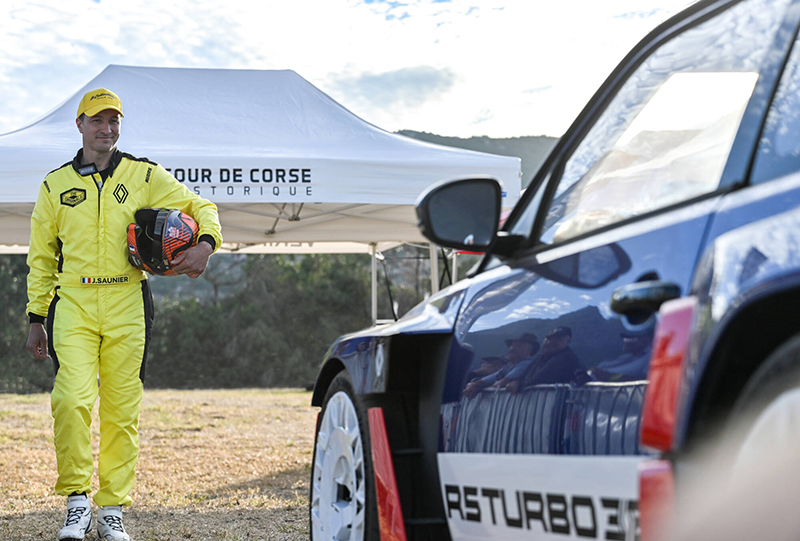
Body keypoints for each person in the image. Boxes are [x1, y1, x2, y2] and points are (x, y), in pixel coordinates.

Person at [25, 88, 222, 541]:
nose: (107, 128)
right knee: (71, 400)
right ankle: (77, 502)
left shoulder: (144, 173)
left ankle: (110, 509)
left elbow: (202, 207)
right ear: (79, 125)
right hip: (71, 302)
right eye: (97, 120)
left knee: (121, 410)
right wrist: (36, 317)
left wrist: (206, 244)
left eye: (114, 120)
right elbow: (40, 258)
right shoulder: (54, 185)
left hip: (129, 301)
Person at [506, 326, 584, 393]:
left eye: (557, 339)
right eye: (548, 339)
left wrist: (520, 386)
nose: (550, 342)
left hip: (561, 406)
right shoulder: (541, 357)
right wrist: (516, 381)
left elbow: (540, 379)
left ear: (568, 341)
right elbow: (524, 374)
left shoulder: (567, 357)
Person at [463, 332, 539, 399]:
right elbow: (489, 379)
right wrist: (474, 384)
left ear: (529, 350)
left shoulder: (526, 364)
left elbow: (503, 382)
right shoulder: (509, 366)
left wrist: (479, 388)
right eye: (512, 345)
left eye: (519, 346)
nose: (513, 348)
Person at [588, 329, 652, 382]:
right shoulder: (624, 358)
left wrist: (609, 377)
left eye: (630, 337)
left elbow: (645, 382)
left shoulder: (650, 359)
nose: (625, 340)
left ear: (645, 340)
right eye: (625, 337)